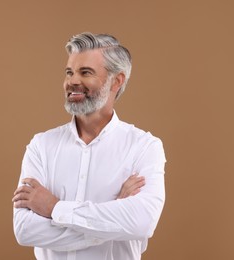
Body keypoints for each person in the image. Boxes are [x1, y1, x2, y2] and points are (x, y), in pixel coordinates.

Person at [12, 32, 166, 260]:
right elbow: (25, 230)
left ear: (117, 80)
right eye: (69, 72)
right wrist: (113, 221)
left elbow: (143, 223)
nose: (73, 81)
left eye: (85, 72)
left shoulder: (144, 147)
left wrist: (54, 208)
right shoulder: (41, 146)